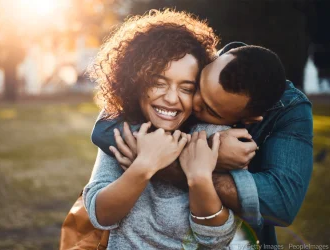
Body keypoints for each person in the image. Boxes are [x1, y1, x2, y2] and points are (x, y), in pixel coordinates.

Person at [92, 41, 313, 246]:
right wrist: (194, 153)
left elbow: (279, 204)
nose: (191, 103)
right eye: (196, 87)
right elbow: (104, 130)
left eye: (209, 109)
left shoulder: (244, 136)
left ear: (245, 119)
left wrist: (198, 169)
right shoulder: (189, 69)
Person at [84, 10, 242, 249]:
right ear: (135, 81)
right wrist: (145, 164)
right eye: (158, 83)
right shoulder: (123, 130)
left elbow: (218, 239)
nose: (170, 98)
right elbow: (101, 216)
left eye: (186, 88)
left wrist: (198, 177)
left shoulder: (210, 136)